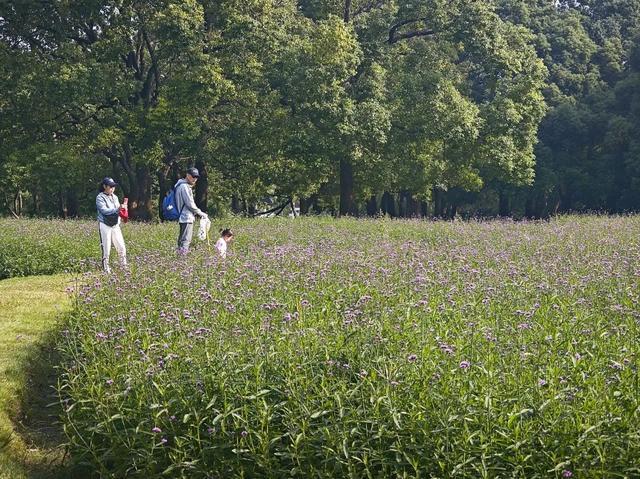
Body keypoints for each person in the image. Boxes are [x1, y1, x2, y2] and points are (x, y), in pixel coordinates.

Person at [96, 177, 127, 273]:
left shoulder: (115, 197)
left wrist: (123, 211)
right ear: (104, 186)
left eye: (113, 186)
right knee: (106, 247)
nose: (112, 188)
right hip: (105, 224)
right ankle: (106, 269)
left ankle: (124, 267)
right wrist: (117, 210)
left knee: (121, 246)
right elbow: (104, 211)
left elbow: (118, 210)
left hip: (115, 225)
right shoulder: (100, 197)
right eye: (110, 186)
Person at [175, 167, 208, 254]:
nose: (195, 179)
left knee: (182, 240)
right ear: (187, 175)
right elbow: (190, 203)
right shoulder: (184, 187)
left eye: (196, 177)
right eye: (193, 176)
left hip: (183, 216)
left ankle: (179, 257)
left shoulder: (180, 185)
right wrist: (200, 213)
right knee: (186, 240)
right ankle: (182, 260)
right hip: (186, 217)